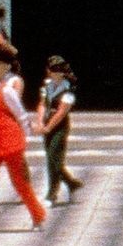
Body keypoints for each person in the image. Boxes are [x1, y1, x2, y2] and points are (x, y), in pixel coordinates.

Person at [0, 56, 46, 234]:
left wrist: (26, 137)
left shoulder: (6, 90)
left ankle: (38, 216)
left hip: (10, 141)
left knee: (19, 182)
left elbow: (21, 114)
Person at [37, 56, 83, 204]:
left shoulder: (68, 90)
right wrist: (40, 122)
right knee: (52, 159)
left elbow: (61, 112)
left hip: (60, 127)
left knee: (53, 158)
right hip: (47, 123)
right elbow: (42, 105)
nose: (54, 73)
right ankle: (71, 183)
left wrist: (48, 127)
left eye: (58, 70)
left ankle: (52, 194)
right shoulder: (47, 86)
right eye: (52, 70)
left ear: (63, 72)